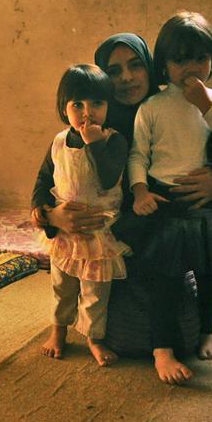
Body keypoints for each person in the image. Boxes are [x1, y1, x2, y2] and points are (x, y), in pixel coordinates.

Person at [34, 28, 212, 385]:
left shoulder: (186, 109)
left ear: (152, 68)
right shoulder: (94, 122)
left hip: (167, 240)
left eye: (136, 65)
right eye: (115, 71)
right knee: (120, 335)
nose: (127, 78)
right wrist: (49, 215)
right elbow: (48, 179)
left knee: (182, 335)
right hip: (107, 249)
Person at [126, 11, 212, 379]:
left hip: (208, 204)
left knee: (210, 273)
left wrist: (205, 104)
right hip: (166, 201)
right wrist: (139, 190)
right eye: (180, 59)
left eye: (200, 58)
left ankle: (206, 332)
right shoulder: (152, 107)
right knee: (165, 278)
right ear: (163, 64)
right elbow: (138, 154)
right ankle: (162, 350)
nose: (191, 68)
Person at [32, 64, 130, 366]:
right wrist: (40, 209)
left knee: (96, 293)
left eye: (97, 104)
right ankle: (58, 330)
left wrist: (95, 143)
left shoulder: (113, 141)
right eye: (78, 105)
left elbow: (109, 178)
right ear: (64, 108)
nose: (87, 113)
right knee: (62, 286)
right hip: (64, 233)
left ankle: (93, 338)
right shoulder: (58, 142)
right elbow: (43, 180)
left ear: (109, 106)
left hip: (99, 234)